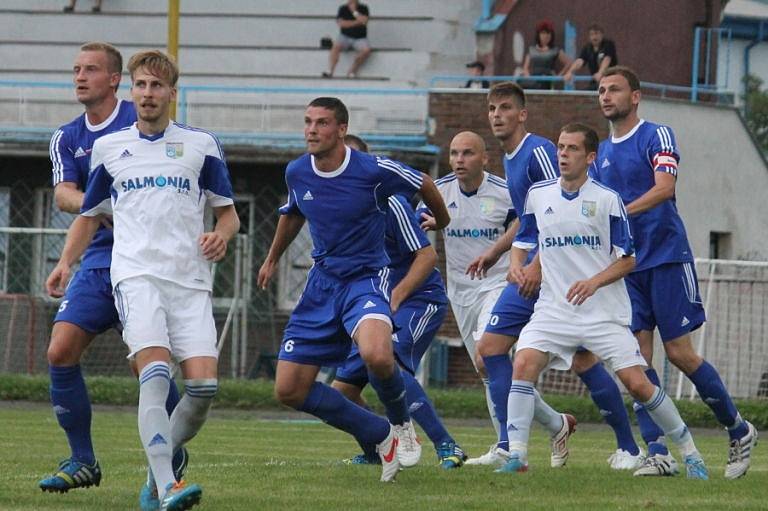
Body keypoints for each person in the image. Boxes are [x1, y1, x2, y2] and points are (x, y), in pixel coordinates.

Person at [47, 49, 240, 510]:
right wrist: (65, 263)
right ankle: (166, 484)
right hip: (135, 277)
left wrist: (222, 236)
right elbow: (90, 216)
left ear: (172, 93)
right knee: (153, 373)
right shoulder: (110, 150)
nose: (148, 94)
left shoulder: (201, 145)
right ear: (131, 91)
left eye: (157, 86)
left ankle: (158, 475)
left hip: (190, 283)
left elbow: (228, 213)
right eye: (141, 85)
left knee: (203, 389)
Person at [496, 122, 708, 479]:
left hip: (602, 313)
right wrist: (516, 265)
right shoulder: (539, 195)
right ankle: (516, 455)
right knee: (523, 364)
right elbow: (525, 239)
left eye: (572, 149)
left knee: (639, 384)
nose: (563, 154)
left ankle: (691, 453)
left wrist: (594, 282)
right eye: (561, 147)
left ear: (590, 157)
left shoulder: (607, 201)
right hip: (554, 310)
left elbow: (628, 258)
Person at [257, 98, 450, 482]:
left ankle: (401, 426)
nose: (311, 130)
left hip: (366, 279)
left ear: (341, 129)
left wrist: (441, 220)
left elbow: (424, 182)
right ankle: (379, 435)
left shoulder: (373, 169)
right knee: (289, 390)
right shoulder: (298, 171)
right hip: (322, 285)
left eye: (322, 123)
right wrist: (272, 258)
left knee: (377, 355)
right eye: (308, 122)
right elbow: (293, 213)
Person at [468, 82, 645, 470]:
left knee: (582, 360)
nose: (496, 116)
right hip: (533, 271)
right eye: (492, 109)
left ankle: (628, 447)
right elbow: (529, 220)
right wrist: (501, 255)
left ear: (522, 114)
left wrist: (534, 264)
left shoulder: (540, 153)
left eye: (504, 109)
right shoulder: (512, 156)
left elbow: (562, 212)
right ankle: (528, 435)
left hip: (556, 274)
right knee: (491, 350)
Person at [594, 66, 758, 479]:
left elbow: (665, 187)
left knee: (681, 355)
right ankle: (658, 451)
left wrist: (621, 212)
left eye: (614, 89)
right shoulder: (602, 154)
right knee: (635, 359)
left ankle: (738, 430)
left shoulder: (656, 135)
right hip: (628, 266)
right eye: (601, 89)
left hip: (666, 257)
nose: (606, 95)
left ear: (636, 96)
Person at [39, 42, 186, 495]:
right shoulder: (68, 137)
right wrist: (70, 256)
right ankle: (82, 460)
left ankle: (174, 452)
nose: (80, 77)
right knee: (60, 351)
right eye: (76, 69)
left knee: (147, 365)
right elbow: (65, 194)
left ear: (115, 80)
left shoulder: (139, 120)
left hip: (146, 258)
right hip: (101, 258)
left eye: (91, 70)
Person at [332, 134, 466, 470]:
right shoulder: (336, 209)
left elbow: (426, 257)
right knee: (341, 391)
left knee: (388, 360)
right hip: (375, 307)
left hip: (419, 300)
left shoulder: (391, 203)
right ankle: (377, 449)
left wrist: (394, 297)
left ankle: (447, 446)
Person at [323, 0, 371, 79]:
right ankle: (330, 71)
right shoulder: (343, 8)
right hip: (344, 36)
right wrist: (357, 22)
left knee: (366, 50)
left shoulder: (364, 8)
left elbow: (364, 21)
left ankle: (352, 71)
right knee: (335, 46)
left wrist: (354, 12)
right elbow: (342, 24)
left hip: (360, 38)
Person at [564, 24, 618, 89]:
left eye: (597, 34)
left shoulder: (608, 44)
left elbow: (607, 59)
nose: (594, 37)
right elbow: (580, 61)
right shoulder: (587, 48)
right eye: (592, 34)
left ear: (602, 35)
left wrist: (600, 73)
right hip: (596, 81)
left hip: (610, 80)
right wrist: (570, 72)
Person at [520, 20, 570, 90]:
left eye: (548, 33)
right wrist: (527, 75)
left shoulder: (555, 50)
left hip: (547, 78)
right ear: (538, 35)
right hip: (534, 77)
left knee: (541, 85)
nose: (546, 36)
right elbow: (525, 67)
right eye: (543, 33)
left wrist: (559, 76)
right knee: (520, 81)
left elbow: (568, 63)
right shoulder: (532, 49)